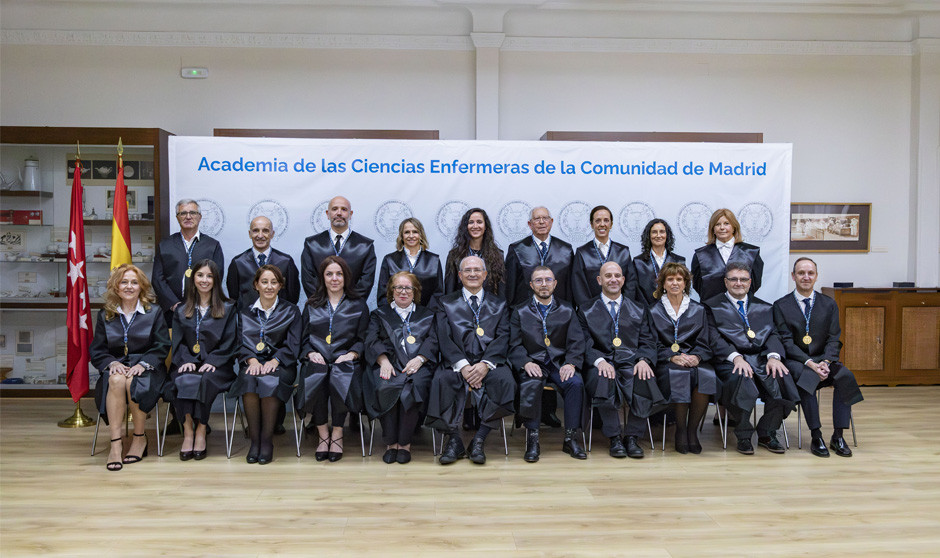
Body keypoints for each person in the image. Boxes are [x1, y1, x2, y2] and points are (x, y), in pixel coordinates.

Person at [427, 255, 516, 465]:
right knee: (441, 381)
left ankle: (479, 439)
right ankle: (454, 440)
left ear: (485, 275)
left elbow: (503, 336)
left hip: (489, 363)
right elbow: (443, 336)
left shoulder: (500, 303)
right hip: (457, 363)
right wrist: (463, 365)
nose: (473, 274)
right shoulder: (446, 303)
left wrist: (485, 365)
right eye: (467, 270)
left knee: (506, 382)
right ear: (460, 275)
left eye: (477, 270)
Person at [772, 257, 863, 458]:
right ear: (793, 276)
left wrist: (826, 362)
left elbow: (834, 338)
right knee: (808, 378)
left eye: (810, 273)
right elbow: (786, 342)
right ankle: (816, 435)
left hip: (825, 361)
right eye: (801, 273)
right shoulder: (781, 305)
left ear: (816, 276)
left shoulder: (829, 304)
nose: (806, 277)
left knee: (845, 375)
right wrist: (810, 363)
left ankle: (838, 436)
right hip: (798, 362)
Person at [704, 262, 798, 455]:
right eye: (734, 279)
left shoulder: (764, 307)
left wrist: (773, 357)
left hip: (761, 358)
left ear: (750, 282)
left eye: (743, 279)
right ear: (726, 282)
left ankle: (767, 432)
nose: (739, 283)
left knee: (782, 377)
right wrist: (736, 358)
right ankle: (744, 434)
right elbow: (713, 338)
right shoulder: (711, 306)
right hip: (729, 361)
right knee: (741, 380)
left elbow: (774, 334)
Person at [578, 261, 666, 459]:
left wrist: (643, 359)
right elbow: (583, 343)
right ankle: (615, 437)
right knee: (604, 377)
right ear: (600, 280)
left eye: (617, 275)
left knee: (644, 377)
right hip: (600, 363)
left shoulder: (639, 308)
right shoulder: (585, 309)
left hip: (631, 361)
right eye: (608, 276)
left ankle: (633, 437)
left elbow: (648, 341)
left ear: (623, 280)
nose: (613, 279)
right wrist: (599, 361)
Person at [89, 264, 170, 471]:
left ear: (141, 287)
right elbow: (97, 349)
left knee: (134, 381)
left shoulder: (154, 312)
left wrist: (143, 364)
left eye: (134, 282)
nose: (129, 286)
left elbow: (162, 346)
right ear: (116, 286)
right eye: (124, 282)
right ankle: (115, 444)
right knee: (116, 379)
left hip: (148, 369)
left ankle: (139, 437)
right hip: (116, 369)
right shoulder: (106, 315)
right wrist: (111, 363)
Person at [296, 256, 370, 462]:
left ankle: (337, 432)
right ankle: (323, 434)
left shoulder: (358, 305)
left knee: (339, 376)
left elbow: (364, 339)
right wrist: (310, 353)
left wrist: (351, 354)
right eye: (329, 274)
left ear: (346, 277)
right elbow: (302, 340)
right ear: (323, 278)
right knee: (318, 375)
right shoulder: (311, 305)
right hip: (316, 360)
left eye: (339, 274)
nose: (334, 278)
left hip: (345, 362)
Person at [509, 267, 586, 462]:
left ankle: (570, 438)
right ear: (531, 285)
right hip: (533, 362)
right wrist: (525, 362)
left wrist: (571, 363)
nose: (544, 284)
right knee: (532, 383)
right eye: (539, 280)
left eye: (548, 280)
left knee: (575, 384)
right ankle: (533, 439)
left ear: (555, 283)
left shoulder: (568, 309)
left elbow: (577, 341)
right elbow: (514, 344)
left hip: (559, 363)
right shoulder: (520, 310)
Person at [364, 271, 439, 464]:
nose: (403, 292)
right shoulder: (379, 314)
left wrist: (421, 359)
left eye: (408, 288)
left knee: (413, 386)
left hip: (418, 366)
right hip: (388, 363)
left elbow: (433, 340)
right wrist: (383, 361)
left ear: (415, 291)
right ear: (391, 290)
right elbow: (371, 340)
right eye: (398, 287)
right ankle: (391, 443)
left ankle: (405, 444)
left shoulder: (427, 315)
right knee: (385, 384)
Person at [230, 265, 302, 464]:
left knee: (269, 380)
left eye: (273, 282)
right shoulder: (245, 313)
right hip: (252, 363)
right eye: (264, 282)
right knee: (248, 379)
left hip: (282, 365)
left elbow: (294, 344)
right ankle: (255, 441)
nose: (269, 286)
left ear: (280, 286)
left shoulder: (291, 311)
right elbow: (239, 343)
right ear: (256, 285)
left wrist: (275, 360)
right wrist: (252, 360)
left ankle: (267, 440)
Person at [168, 259, 237, 461]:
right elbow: (178, 342)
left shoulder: (228, 308)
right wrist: (186, 360)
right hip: (187, 362)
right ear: (193, 278)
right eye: (200, 275)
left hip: (219, 366)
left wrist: (213, 361)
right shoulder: (181, 310)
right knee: (183, 379)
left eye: (209, 276)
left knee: (205, 379)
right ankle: (188, 429)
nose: (204, 280)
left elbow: (230, 342)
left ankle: (201, 429)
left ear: (216, 279)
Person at [648, 262, 717, 454]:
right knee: (679, 374)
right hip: (666, 363)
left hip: (694, 359)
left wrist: (697, 356)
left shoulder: (699, 309)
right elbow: (650, 343)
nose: (675, 283)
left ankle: (692, 431)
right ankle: (680, 430)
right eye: (670, 279)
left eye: (679, 279)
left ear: (686, 283)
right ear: (662, 283)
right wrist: (671, 356)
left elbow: (705, 341)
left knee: (705, 374)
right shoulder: (652, 310)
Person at [152, 199, 225, 325]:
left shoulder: (212, 246)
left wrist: (201, 304)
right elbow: (157, 279)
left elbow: (217, 276)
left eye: (193, 213)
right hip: (172, 312)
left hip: (204, 310)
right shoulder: (165, 245)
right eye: (183, 213)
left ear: (200, 217)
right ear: (177, 217)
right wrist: (173, 304)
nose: (188, 217)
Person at [300, 195, 376, 299]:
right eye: (334, 209)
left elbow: (366, 282)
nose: (339, 213)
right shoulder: (312, 244)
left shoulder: (365, 245)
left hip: (353, 310)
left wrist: (349, 305)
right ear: (328, 214)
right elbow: (308, 279)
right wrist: (323, 303)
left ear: (350, 214)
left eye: (344, 209)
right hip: (319, 309)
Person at [226, 215, 300, 312]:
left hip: (279, 321)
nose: (260, 235)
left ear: (272, 234)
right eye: (256, 230)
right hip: (248, 322)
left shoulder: (286, 261)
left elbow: (292, 296)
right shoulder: (238, 262)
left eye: (265, 231)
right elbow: (234, 296)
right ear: (249, 234)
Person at [504, 206, 574, 307]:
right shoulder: (517, 249)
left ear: (551, 221)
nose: (541, 222)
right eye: (537, 219)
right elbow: (510, 287)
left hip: (559, 311)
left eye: (545, 218)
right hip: (525, 311)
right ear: (530, 224)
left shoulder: (566, 249)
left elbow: (571, 286)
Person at [571, 205, 639, 309]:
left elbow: (630, 284)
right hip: (592, 312)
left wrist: (624, 308)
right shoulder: (582, 252)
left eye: (606, 220)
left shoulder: (623, 251)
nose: (602, 224)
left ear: (611, 224)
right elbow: (579, 287)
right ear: (591, 224)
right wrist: (590, 310)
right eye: (598, 221)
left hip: (620, 310)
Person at [691, 208, 763, 301]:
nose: (722, 227)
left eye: (726, 223)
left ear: (734, 227)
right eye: (717, 224)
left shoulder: (751, 252)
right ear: (713, 229)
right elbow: (697, 285)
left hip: (741, 307)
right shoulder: (700, 255)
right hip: (710, 309)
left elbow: (755, 283)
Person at [376, 217, 443, 308]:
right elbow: (383, 294)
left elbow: (438, 294)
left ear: (421, 235)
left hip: (426, 317)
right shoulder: (390, 260)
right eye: (407, 232)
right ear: (401, 236)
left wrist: (429, 316)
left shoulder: (434, 260)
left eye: (415, 232)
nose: (411, 236)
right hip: (395, 317)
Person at [443, 208, 504, 296]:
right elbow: (449, 291)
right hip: (460, 308)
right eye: (471, 222)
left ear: (486, 226)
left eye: (479, 222)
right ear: (465, 227)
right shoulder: (454, 255)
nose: (475, 226)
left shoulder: (498, 255)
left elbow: (501, 291)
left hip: (489, 308)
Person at [633, 218, 685, 307]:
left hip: (673, 312)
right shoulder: (638, 262)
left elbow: (683, 290)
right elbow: (636, 292)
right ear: (648, 235)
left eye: (662, 232)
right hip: (646, 313)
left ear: (667, 235)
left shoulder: (679, 261)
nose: (658, 235)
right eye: (654, 232)